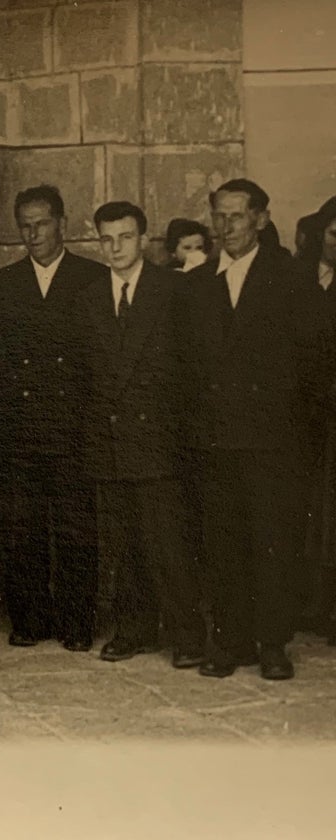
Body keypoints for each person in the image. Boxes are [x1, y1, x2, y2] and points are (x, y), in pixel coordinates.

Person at [181, 178, 332, 680]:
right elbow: (188, 366)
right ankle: (231, 640)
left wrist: (296, 438)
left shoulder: (291, 279)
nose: (227, 227)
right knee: (223, 544)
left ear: (262, 220)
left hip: (274, 443)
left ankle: (272, 642)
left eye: (238, 216)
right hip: (216, 441)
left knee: (272, 543)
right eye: (219, 217)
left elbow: (314, 366)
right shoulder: (199, 284)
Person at [77, 202, 206, 667]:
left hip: (160, 439)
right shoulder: (91, 297)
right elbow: (88, 372)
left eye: (125, 237)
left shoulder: (173, 290)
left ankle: (188, 634)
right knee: (124, 544)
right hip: (110, 439)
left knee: (169, 544)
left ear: (144, 239)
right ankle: (133, 629)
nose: (116, 248)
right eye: (107, 239)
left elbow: (191, 365)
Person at [0, 185, 107, 651]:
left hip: (73, 427)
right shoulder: (2, 284)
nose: (33, 234)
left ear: (62, 224)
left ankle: (77, 623)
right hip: (20, 425)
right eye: (24, 226)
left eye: (41, 224)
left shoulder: (91, 278)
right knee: (23, 530)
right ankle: (30, 619)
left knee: (77, 530)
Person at [297, 196, 336, 642]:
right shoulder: (299, 280)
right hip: (307, 415)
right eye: (333, 234)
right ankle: (311, 604)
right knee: (311, 513)